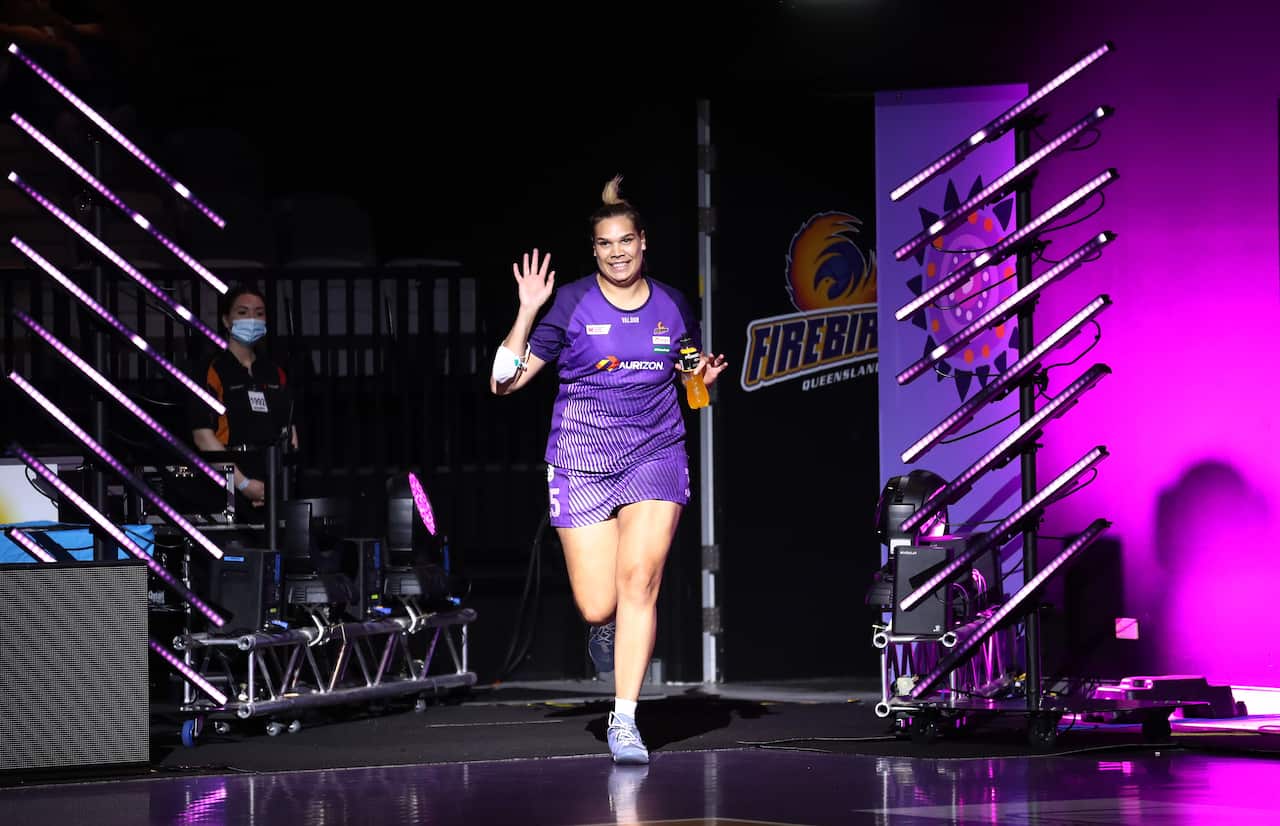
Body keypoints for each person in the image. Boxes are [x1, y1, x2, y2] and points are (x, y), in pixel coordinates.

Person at [490, 176, 728, 764]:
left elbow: (692, 387)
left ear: (643, 242)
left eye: (626, 240)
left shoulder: (674, 305)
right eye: (605, 243)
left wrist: (701, 384)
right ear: (593, 250)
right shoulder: (570, 303)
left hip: (656, 453)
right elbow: (504, 383)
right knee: (600, 604)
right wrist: (526, 312)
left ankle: (626, 720)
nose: (617, 251)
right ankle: (605, 627)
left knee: (640, 579)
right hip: (582, 458)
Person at [190, 284, 297, 515]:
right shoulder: (211, 369)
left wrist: (280, 482)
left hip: (272, 485)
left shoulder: (274, 372)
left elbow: (290, 432)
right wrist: (244, 484)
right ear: (226, 321)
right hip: (227, 486)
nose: (252, 319)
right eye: (242, 312)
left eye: (259, 313)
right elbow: (203, 436)